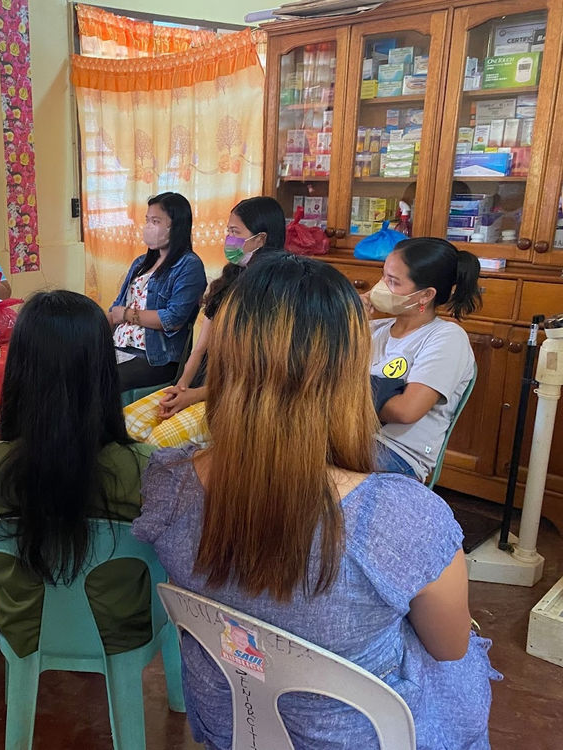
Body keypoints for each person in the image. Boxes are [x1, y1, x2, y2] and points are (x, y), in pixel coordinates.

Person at [134, 252, 497, 750]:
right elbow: (450, 647)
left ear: (231, 358)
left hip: (230, 721)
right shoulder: (403, 519)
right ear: (350, 373)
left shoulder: (168, 482)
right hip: (353, 737)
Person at [0, 290, 155, 658]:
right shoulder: (147, 465)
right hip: (122, 632)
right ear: (105, 371)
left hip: (22, 631)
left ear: (17, 370)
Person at [124, 196, 286, 447]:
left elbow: (252, 375)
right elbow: (200, 349)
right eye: (228, 231)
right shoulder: (227, 282)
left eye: (235, 232)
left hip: (236, 397)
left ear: (261, 239)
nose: (228, 239)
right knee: (129, 423)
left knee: (158, 441)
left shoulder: (273, 294)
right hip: (201, 386)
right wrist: (181, 387)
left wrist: (193, 396)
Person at [366, 237, 482, 481]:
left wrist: (340, 396)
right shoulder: (373, 329)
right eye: (383, 276)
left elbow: (406, 411)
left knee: (302, 469)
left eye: (393, 282)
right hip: (353, 437)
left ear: (425, 295)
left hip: (398, 452)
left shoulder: (447, 338)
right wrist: (346, 314)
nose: (380, 287)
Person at [109, 192, 207, 392]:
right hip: (120, 345)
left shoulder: (189, 265)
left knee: (103, 380)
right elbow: (115, 309)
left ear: (176, 226)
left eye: (156, 221)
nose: (148, 227)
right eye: (147, 220)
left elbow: (173, 319)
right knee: (76, 368)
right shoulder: (140, 263)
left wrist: (127, 314)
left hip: (154, 358)